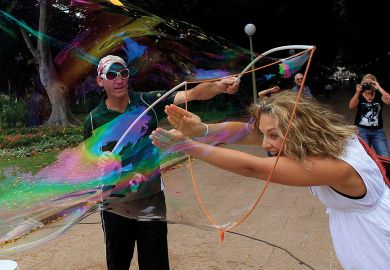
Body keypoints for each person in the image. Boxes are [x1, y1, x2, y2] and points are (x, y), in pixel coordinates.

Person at [150, 91, 390, 270]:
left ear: (299, 129)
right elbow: (246, 132)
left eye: (273, 135)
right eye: (265, 133)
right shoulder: (329, 136)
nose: (265, 144)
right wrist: (203, 130)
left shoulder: (337, 167)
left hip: (377, 247)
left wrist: (185, 145)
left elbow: (252, 168)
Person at [83, 54, 240, 270]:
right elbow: (88, 156)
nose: (118, 79)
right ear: (100, 80)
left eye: (123, 73)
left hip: (151, 199)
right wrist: (99, 161)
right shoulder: (93, 119)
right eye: (111, 74)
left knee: (155, 263)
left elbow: (191, 93)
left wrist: (219, 86)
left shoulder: (148, 102)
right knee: (118, 263)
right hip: (115, 204)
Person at [348, 73, 390, 157]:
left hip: (378, 131)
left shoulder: (379, 96)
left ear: (374, 84)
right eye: (366, 83)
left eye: (370, 83)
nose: (368, 85)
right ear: (362, 84)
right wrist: (357, 92)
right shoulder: (359, 96)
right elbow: (351, 106)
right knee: (364, 157)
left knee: (385, 156)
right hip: (362, 130)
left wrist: (379, 88)